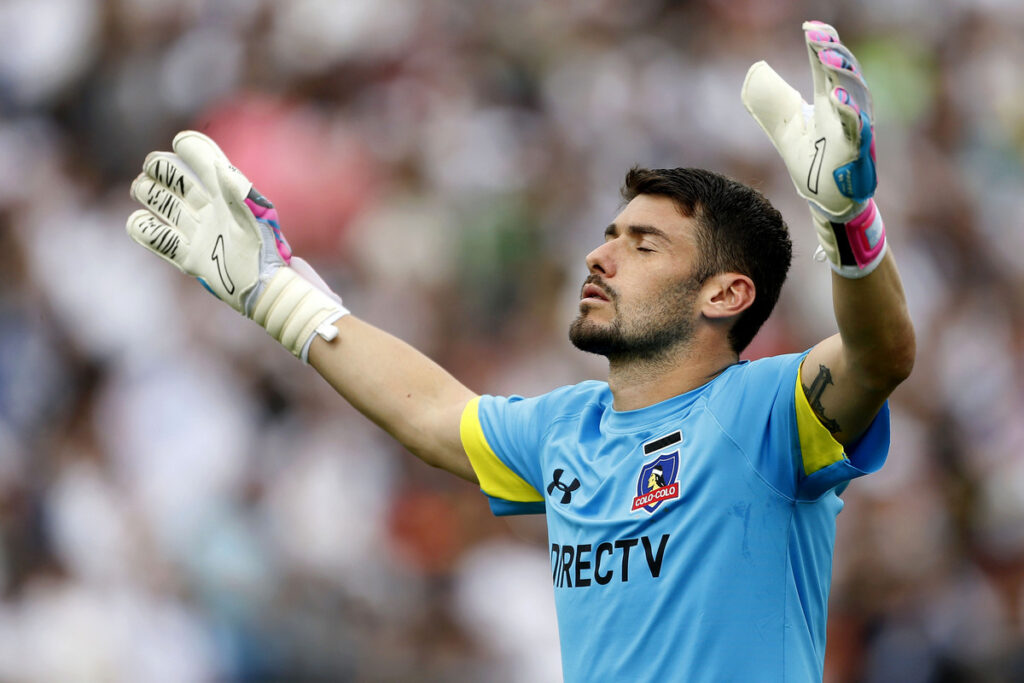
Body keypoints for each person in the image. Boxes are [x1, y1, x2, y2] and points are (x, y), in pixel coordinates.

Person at [126, 20, 914, 683]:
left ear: (725, 295)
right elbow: (434, 414)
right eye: (609, 236)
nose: (599, 259)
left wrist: (848, 221)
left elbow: (879, 355)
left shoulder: (765, 409)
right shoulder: (566, 429)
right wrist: (278, 293)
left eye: (644, 246)